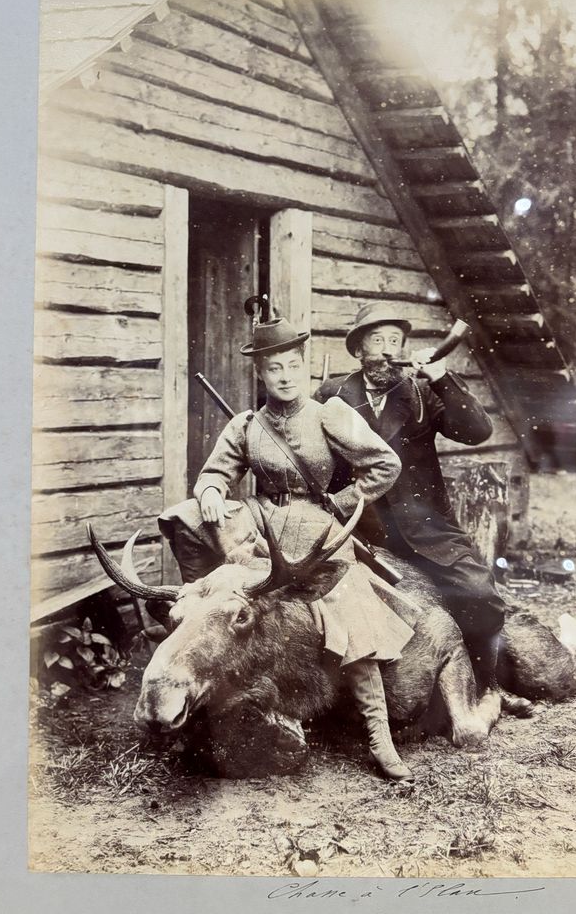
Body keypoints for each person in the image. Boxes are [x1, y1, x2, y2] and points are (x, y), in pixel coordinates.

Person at [158, 313, 420, 781]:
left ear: (303, 367)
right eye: (273, 368)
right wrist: (213, 492)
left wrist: (341, 502)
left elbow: (385, 464)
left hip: (317, 526)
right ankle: (198, 605)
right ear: (261, 373)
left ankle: (379, 735)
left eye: (291, 366)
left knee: (349, 613)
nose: (284, 376)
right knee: (186, 516)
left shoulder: (330, 414)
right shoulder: (246, 425)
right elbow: (216, 472)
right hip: (261, 521)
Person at [314, 301, 506, 716]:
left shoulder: (421, 392)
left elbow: (477, 431)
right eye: (377, 341)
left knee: (480, 594)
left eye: (395, 342)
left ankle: (488, 686)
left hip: (427, 529)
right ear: (358, 350)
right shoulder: (333, 394)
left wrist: (439, 376)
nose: (386, 351)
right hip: (360, 528)